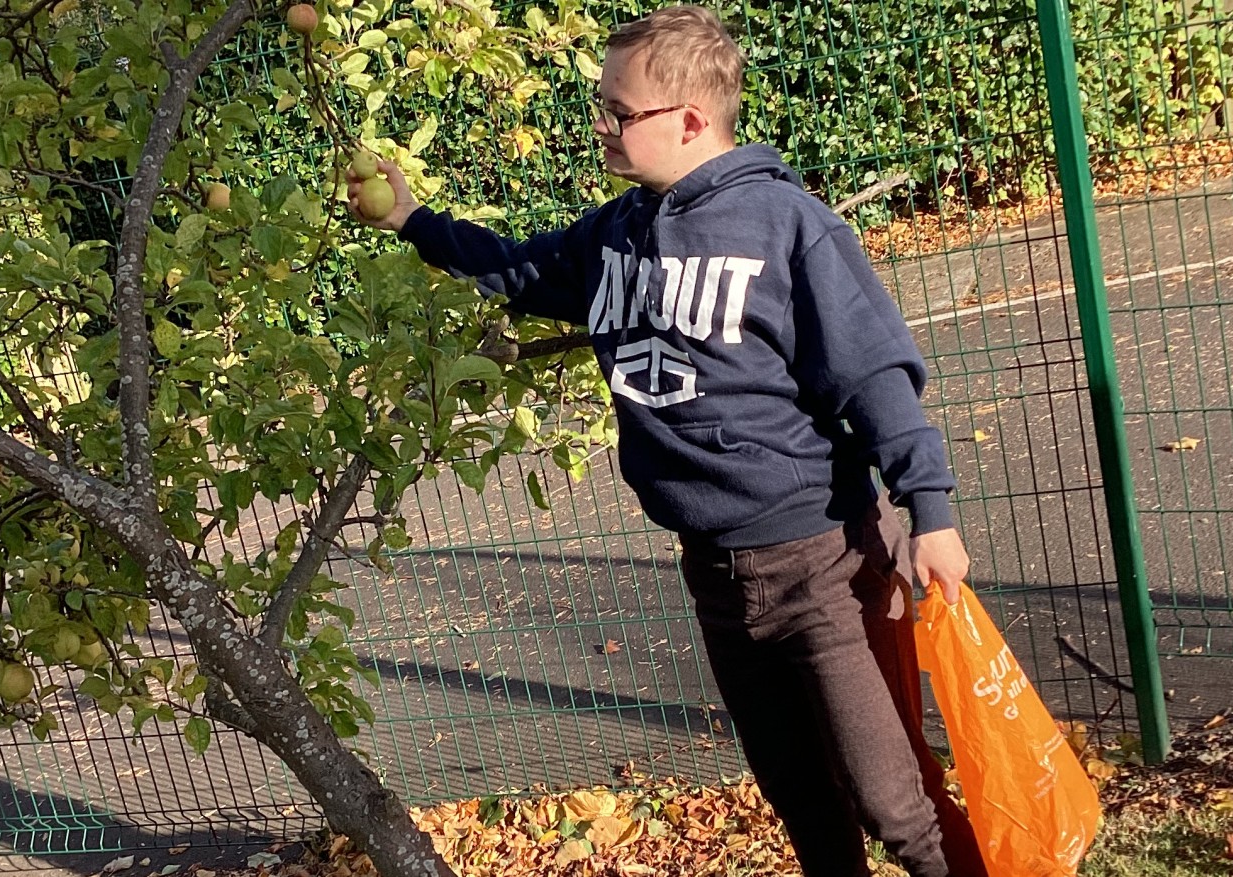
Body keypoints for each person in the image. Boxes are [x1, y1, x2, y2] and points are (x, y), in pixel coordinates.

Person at [346, 6, 987, 875]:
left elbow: (874, 374)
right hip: (716, 574)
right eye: (601, 108)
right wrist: (415, 221)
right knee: (800, 794)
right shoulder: (616, 233)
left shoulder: (787, 225)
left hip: (823, 563)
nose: (601, 127)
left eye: (619, 112)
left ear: (688, 119)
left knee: (894, 801)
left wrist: (931, 509)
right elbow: (521, 269)